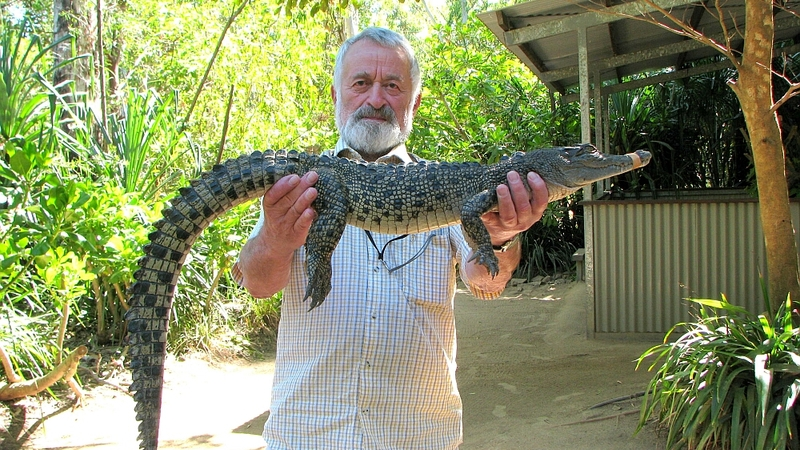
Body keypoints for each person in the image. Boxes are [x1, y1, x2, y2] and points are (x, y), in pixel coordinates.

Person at [234, 27, 548, 449]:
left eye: (393, 86)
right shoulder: (299, 184)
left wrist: (502, 236)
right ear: (336, 95)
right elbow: (257, 283)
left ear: (414, 102)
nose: (376, 100)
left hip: (417, 436)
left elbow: (485, 282)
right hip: (307, 434)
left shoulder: (449, 182)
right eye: (361, 83)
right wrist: (275, 237)